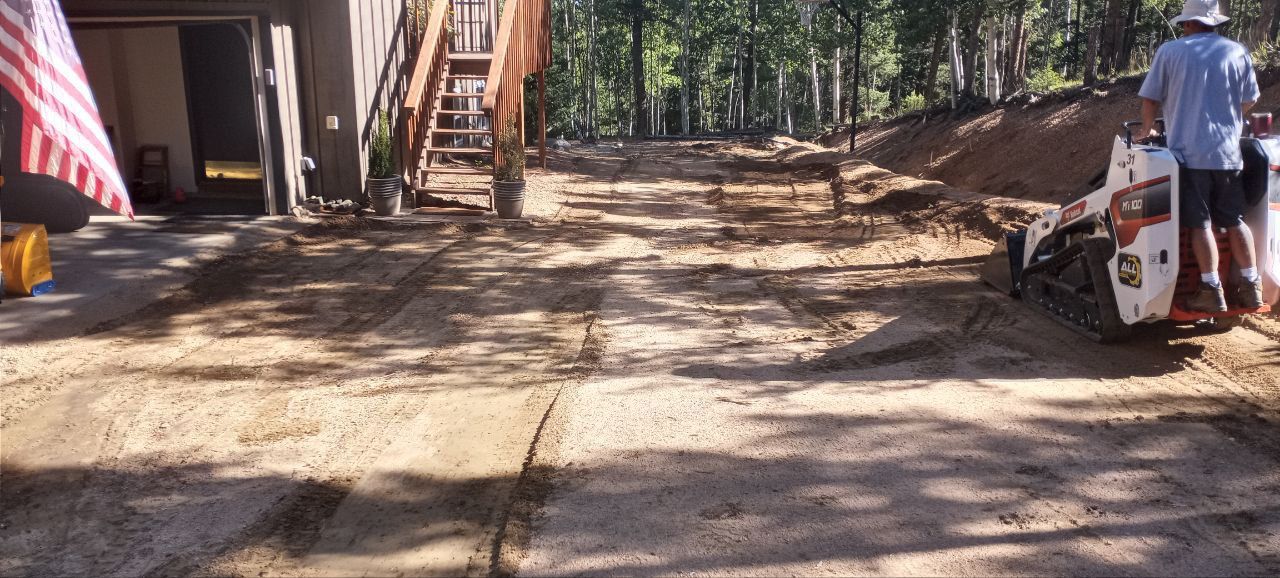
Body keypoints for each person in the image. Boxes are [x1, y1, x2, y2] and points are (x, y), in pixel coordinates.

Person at [1139, 0, 1265, 312]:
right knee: (1235, 220)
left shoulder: (1171, 51)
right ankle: (1252, 285)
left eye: (1184, 23)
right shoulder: (1238, 52)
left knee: (1200, 224)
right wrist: (1225, 119)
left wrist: (1147, 131)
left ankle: (1211, 289)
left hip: (1189, 155)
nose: (1183, 28)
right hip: (1228, 153)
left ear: (1190, 23)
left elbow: (1150, 99)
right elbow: (1249, 101)